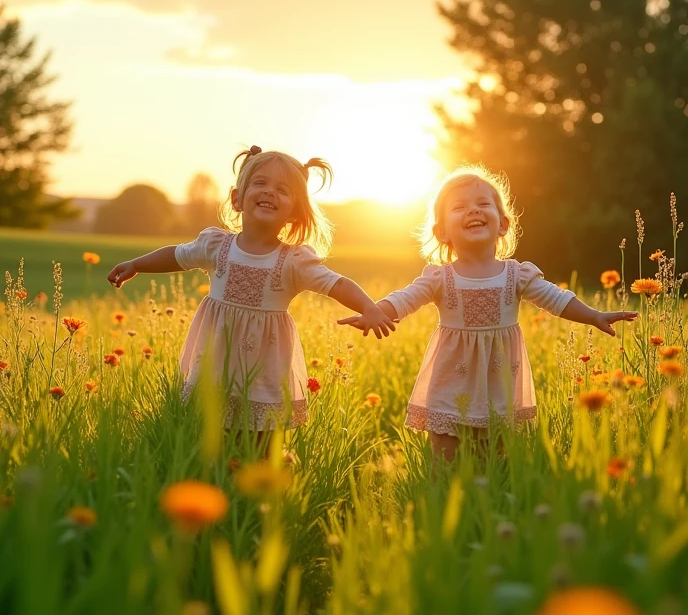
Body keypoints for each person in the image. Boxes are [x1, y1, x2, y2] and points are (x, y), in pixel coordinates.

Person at [338, 164, 637, 460]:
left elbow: (556, 299)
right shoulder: (440, 278)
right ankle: (445, 497)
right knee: (446, 455)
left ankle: (491, 497)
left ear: (503, 224)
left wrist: (593, 315)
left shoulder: (515, 275)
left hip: (500, 380)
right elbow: (405, 299)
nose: (474, 211)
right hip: (451, 379)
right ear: (442, 232)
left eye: (483, 204)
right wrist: (376, 310)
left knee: (497, 455)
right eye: (459, 207)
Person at [107, 146, 393, 431]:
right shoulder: (216, 246)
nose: (269, 192)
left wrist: (369, 307)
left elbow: (336, 283)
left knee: (261, 438)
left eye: (282, 189)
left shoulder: (293, 261)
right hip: (215, 364)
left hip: (265, 371)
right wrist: (137, 264)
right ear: (237, 199)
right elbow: (177, 255)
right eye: (260, 183)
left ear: (295, 211)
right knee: (206, 432)